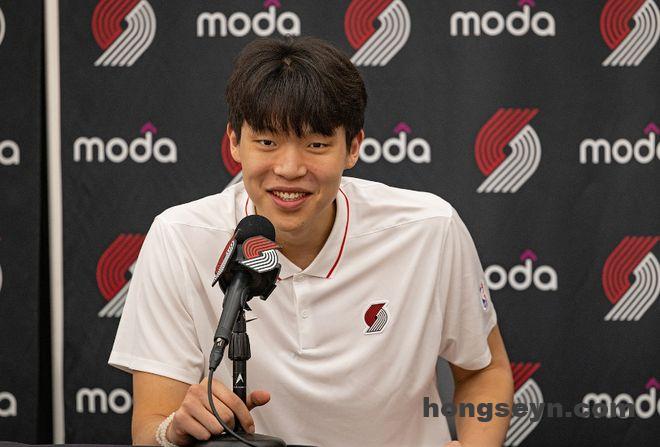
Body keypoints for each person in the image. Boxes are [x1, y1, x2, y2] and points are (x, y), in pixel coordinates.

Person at [109, 36, 513, 447]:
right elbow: (150, 426)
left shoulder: (430, 229)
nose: (289, 168)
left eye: (316, 145)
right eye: (267, 142)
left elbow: (485, 370)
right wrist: (173, 430)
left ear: (353, 148)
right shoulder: (179, 238)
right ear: (234, 142)